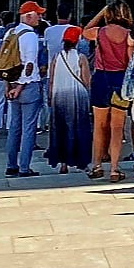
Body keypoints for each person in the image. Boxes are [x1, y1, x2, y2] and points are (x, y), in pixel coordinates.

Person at [83, 0, 134, 181]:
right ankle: (114, 168)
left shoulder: (100, 32)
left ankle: (96, 164)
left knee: (99, 125)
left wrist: (101, 13)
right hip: (121, 81)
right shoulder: (129, 35)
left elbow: (84, 31)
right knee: (117, 127)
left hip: (101, 79)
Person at [2, 2, 45, 177]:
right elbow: (29, 64)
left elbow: (3, 63)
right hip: (27, 86)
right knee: (29, 128)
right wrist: (20, 87)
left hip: (11, 84)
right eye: (38, 14)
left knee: (14, 127)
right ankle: (25, 167)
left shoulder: (10, 32)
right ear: (28, 16)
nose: (40, 18)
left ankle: (11, 165)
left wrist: (9, 86)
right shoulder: (30, 36)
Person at [46, 26, 92, 173]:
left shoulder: (56, 57)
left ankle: (63, 163)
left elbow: (51, 79)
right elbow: (87, 80)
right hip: (77, 96)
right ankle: (81, 160)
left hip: (58, 96)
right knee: (79, 128)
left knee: (61, 129)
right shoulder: (81, 58)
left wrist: (49, 95)